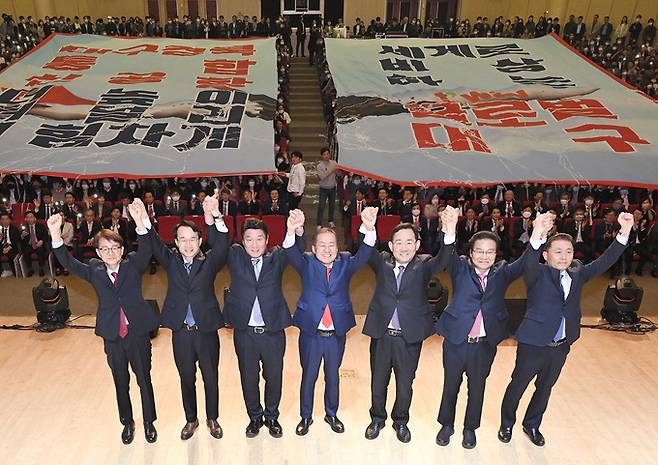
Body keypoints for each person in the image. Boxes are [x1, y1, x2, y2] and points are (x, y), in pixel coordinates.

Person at [498, 212, 633, 447]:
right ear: (546, 254)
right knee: (518, 384)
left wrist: (624, 233)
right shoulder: (536, 272)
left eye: (568, 251)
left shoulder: (578, 272)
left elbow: (605, 261)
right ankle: (506, 423)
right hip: (533, 343)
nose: (564, 256)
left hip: (561, 345)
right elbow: (529, 259)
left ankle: (532, 424)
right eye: (558, 251)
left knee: (545, 387)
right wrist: (537, 233)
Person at [435, 212, 552, 449]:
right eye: (479, 251)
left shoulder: (503, 272)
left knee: (477, 388)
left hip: (484, 345)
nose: (484, 256)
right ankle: (447, 425)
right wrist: (449, 230)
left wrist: (538, 234)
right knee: (450, 386)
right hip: (456, 341)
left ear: (496, 254)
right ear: (471, 253)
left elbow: (527, 260)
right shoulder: (459, 269)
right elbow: (447, 250)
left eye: (490, 251)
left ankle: (470, 428)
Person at [48, 199, 158, 444]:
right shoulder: (94, 271)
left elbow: (148, 249)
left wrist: (141, 221)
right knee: (121, 383)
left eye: (115, 248)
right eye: (105, 249)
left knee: (144, 380)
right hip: (113, 336)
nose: (111, 253)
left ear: (122, 250)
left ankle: (149, 422)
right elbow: (68, 262)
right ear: (98, 252)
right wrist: (56, 235)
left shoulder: (133, 266)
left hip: (137, 333)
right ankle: (127, 423)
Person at [364, 206, 457, 443]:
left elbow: (444, 258)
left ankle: (400, 421)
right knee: (378, 382)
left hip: (409, 338)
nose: (403, 247)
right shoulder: (381, 262)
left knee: (405, 384)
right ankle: (377, 418)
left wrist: (449, 232)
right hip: (382, 336)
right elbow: (365, 249)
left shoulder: (423, 265)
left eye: (408, 242)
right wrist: (369, 227)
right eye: (398, 242)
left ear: (416, 246)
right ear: (390, 246)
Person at [284, 207, 378, 436]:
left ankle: (331, 413)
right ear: (314, 248)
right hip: (311, 333)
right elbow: (289, 251)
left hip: (335, 334)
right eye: (322, 245)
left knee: (333, 375)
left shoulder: (346, 263)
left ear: (338, 248)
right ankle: (305, 416)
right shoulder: (306, 263)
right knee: (309, 376)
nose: (327, 249)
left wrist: (368, 228)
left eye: (332, 245)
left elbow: (365, 253)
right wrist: (291, 230)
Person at [146, 192, 229, 441]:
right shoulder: (170, 261)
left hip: (206, 331)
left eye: (193, 239)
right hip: (181, 332)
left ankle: (212, 418)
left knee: (210, 377)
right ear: (176, 242)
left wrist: (214, 215)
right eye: (182, 240)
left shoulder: (209, 261)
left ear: (200, 240)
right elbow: (153, 244)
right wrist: (144, 222)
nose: (188, 244)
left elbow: (223, 243)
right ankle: (191, 419)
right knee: (186, 378)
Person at [223, 218, 304, 438]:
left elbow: (295, 247)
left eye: (260, 239)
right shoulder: (235, 256)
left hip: (272, 332)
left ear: (267, 240)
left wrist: (293, 229)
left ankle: (271, 416)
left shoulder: (276, 257)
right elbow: (216, 240)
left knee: (274, 376)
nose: (255, 244)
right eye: (249, 239)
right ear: (243, 240)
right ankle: (255, 418)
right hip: (245, 333)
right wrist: (215, 218)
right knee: (249, 378)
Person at [20, 211, 49, 276]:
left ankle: (41, 268)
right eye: (27, 217)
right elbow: (19, 240)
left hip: (38, 244)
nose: (29, 219)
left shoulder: (40, 226)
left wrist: (42, 241)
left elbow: (45, 236)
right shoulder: (23, 227)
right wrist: (22, 236)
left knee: (41, 251)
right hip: (29, 245)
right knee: (26, 252)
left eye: (31, 217)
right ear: (25, 219)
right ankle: (30, 268)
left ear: (35, 218)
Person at [317, 147, 338, 228]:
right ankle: (319, 223)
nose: (326, 156)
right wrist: (332, 170)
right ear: (322, 156)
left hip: (332, 187)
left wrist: (338, 170)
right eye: (324, 154)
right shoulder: (319, 166)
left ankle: (331, 221)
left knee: (332, 205)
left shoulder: (334, 163)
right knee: (321, 206)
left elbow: (339, 174)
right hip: (323, 188)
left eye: (327, 154)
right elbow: (322, 177)